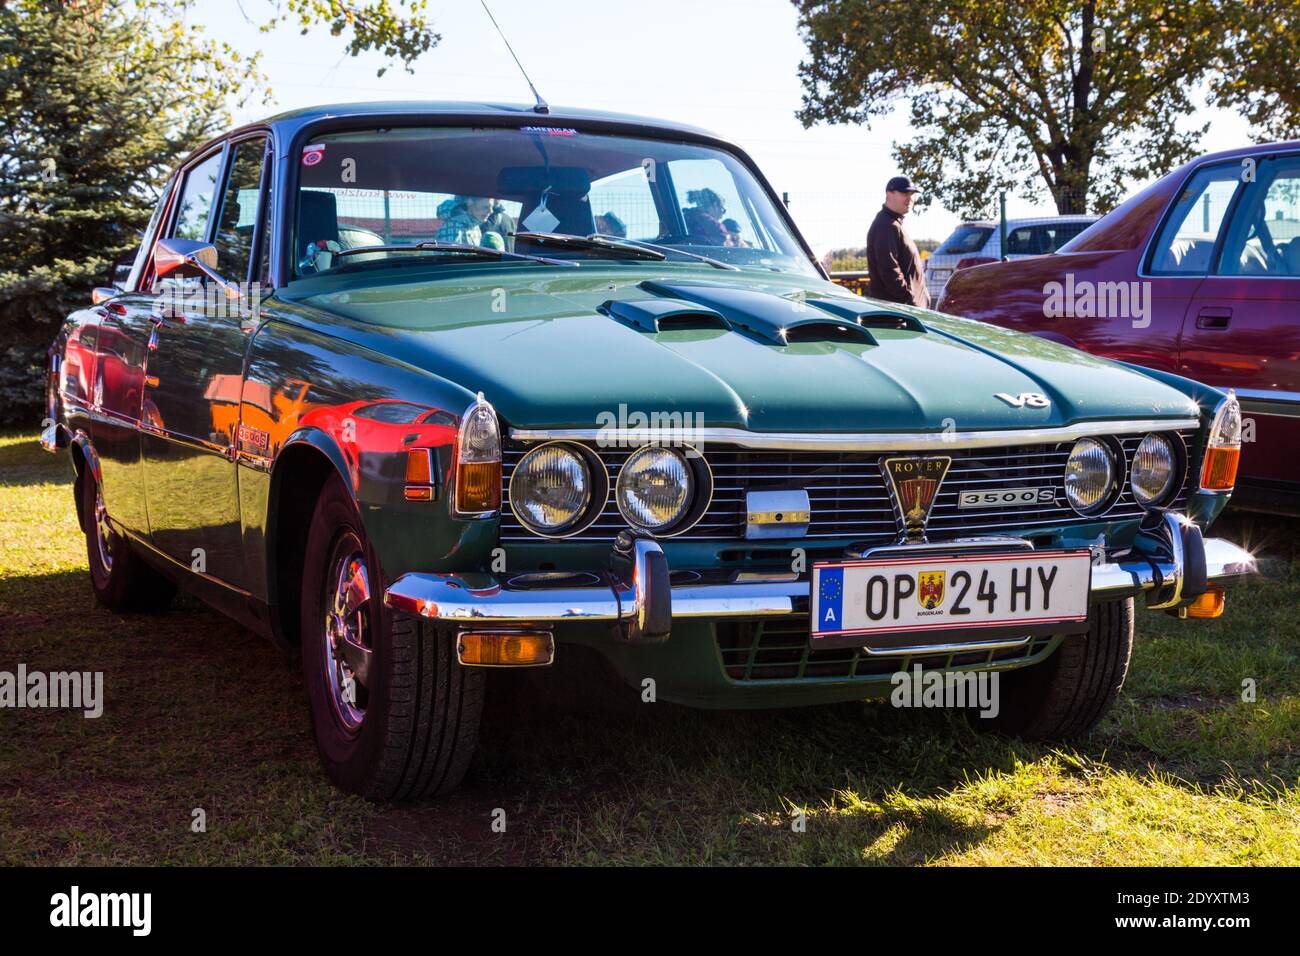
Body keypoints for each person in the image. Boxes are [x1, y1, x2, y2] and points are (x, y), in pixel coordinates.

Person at [866, 176, 929, 308]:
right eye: (905, 193)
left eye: (912, 194)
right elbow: (889, 270)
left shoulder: (893, 223)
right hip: (899, 314)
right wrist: (909, 299)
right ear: (889, 194)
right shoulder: (886, 225)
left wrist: (923, 296)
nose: (910, 198)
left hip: (905, 310)